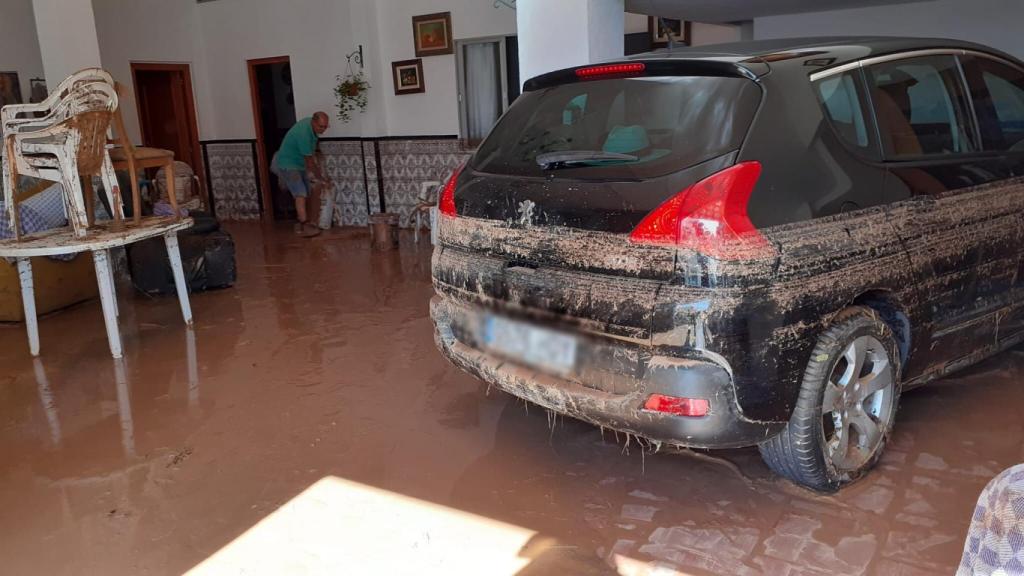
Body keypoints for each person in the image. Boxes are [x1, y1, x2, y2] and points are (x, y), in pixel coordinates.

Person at [271, 111, 330, 237]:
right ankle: (304, 225)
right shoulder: (303, 133)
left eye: (326, 126)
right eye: (321, 127)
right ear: (314, 122)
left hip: (298, 164)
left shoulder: (311, 127)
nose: (323, 130)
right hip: (288, 164)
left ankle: (305, 222)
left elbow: (311, 154)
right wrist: (321, 178)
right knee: (301, 193)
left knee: (307, 192)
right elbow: (309, 161)